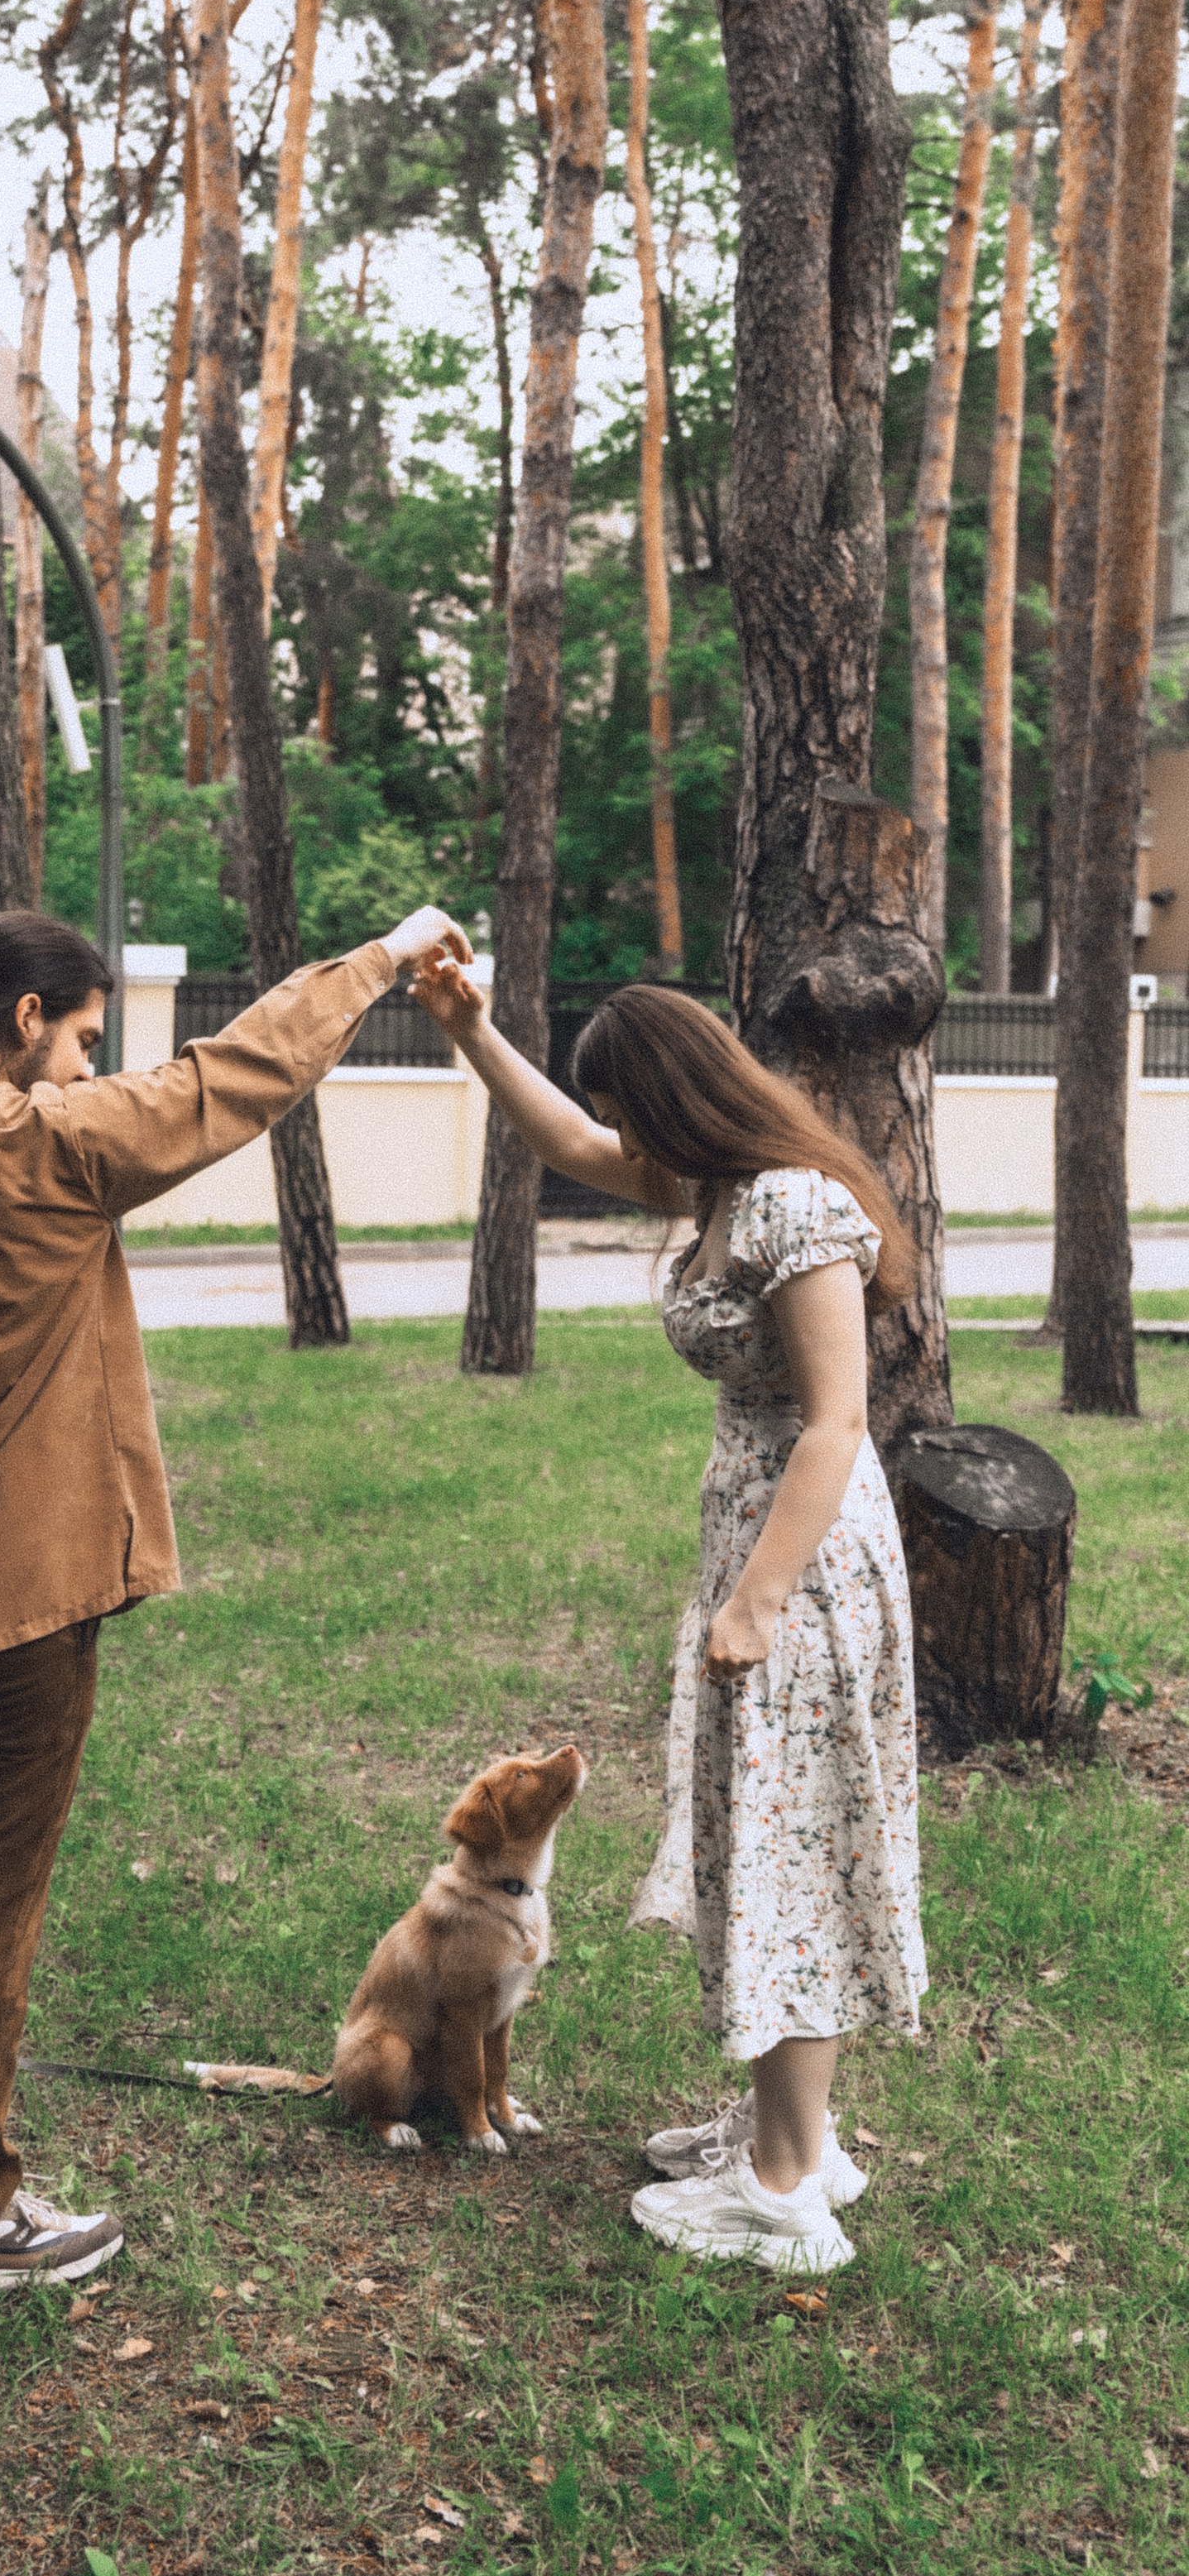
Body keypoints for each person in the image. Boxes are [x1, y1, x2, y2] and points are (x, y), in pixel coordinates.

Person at [0, 899, 471, 2298]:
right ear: (24, 1022)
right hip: (16, 1615)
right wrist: (381, 956)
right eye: (78, 1037)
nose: (85, 1064)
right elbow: (239, 1074)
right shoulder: (45, 1144)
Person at [411, 966, 926, 2278]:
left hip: (805, 1568)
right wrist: (475, 1034)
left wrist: (758, 1602)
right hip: (759, 1548)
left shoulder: (793, 1207)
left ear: (678, 1099)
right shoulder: (719, 1191)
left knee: (793, 1860)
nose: (616, 1135)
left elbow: (838, 1421)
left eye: (628, 1109)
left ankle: (784, 2194)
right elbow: (572, 1146)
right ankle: (790, 2131)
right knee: (766, 1850)